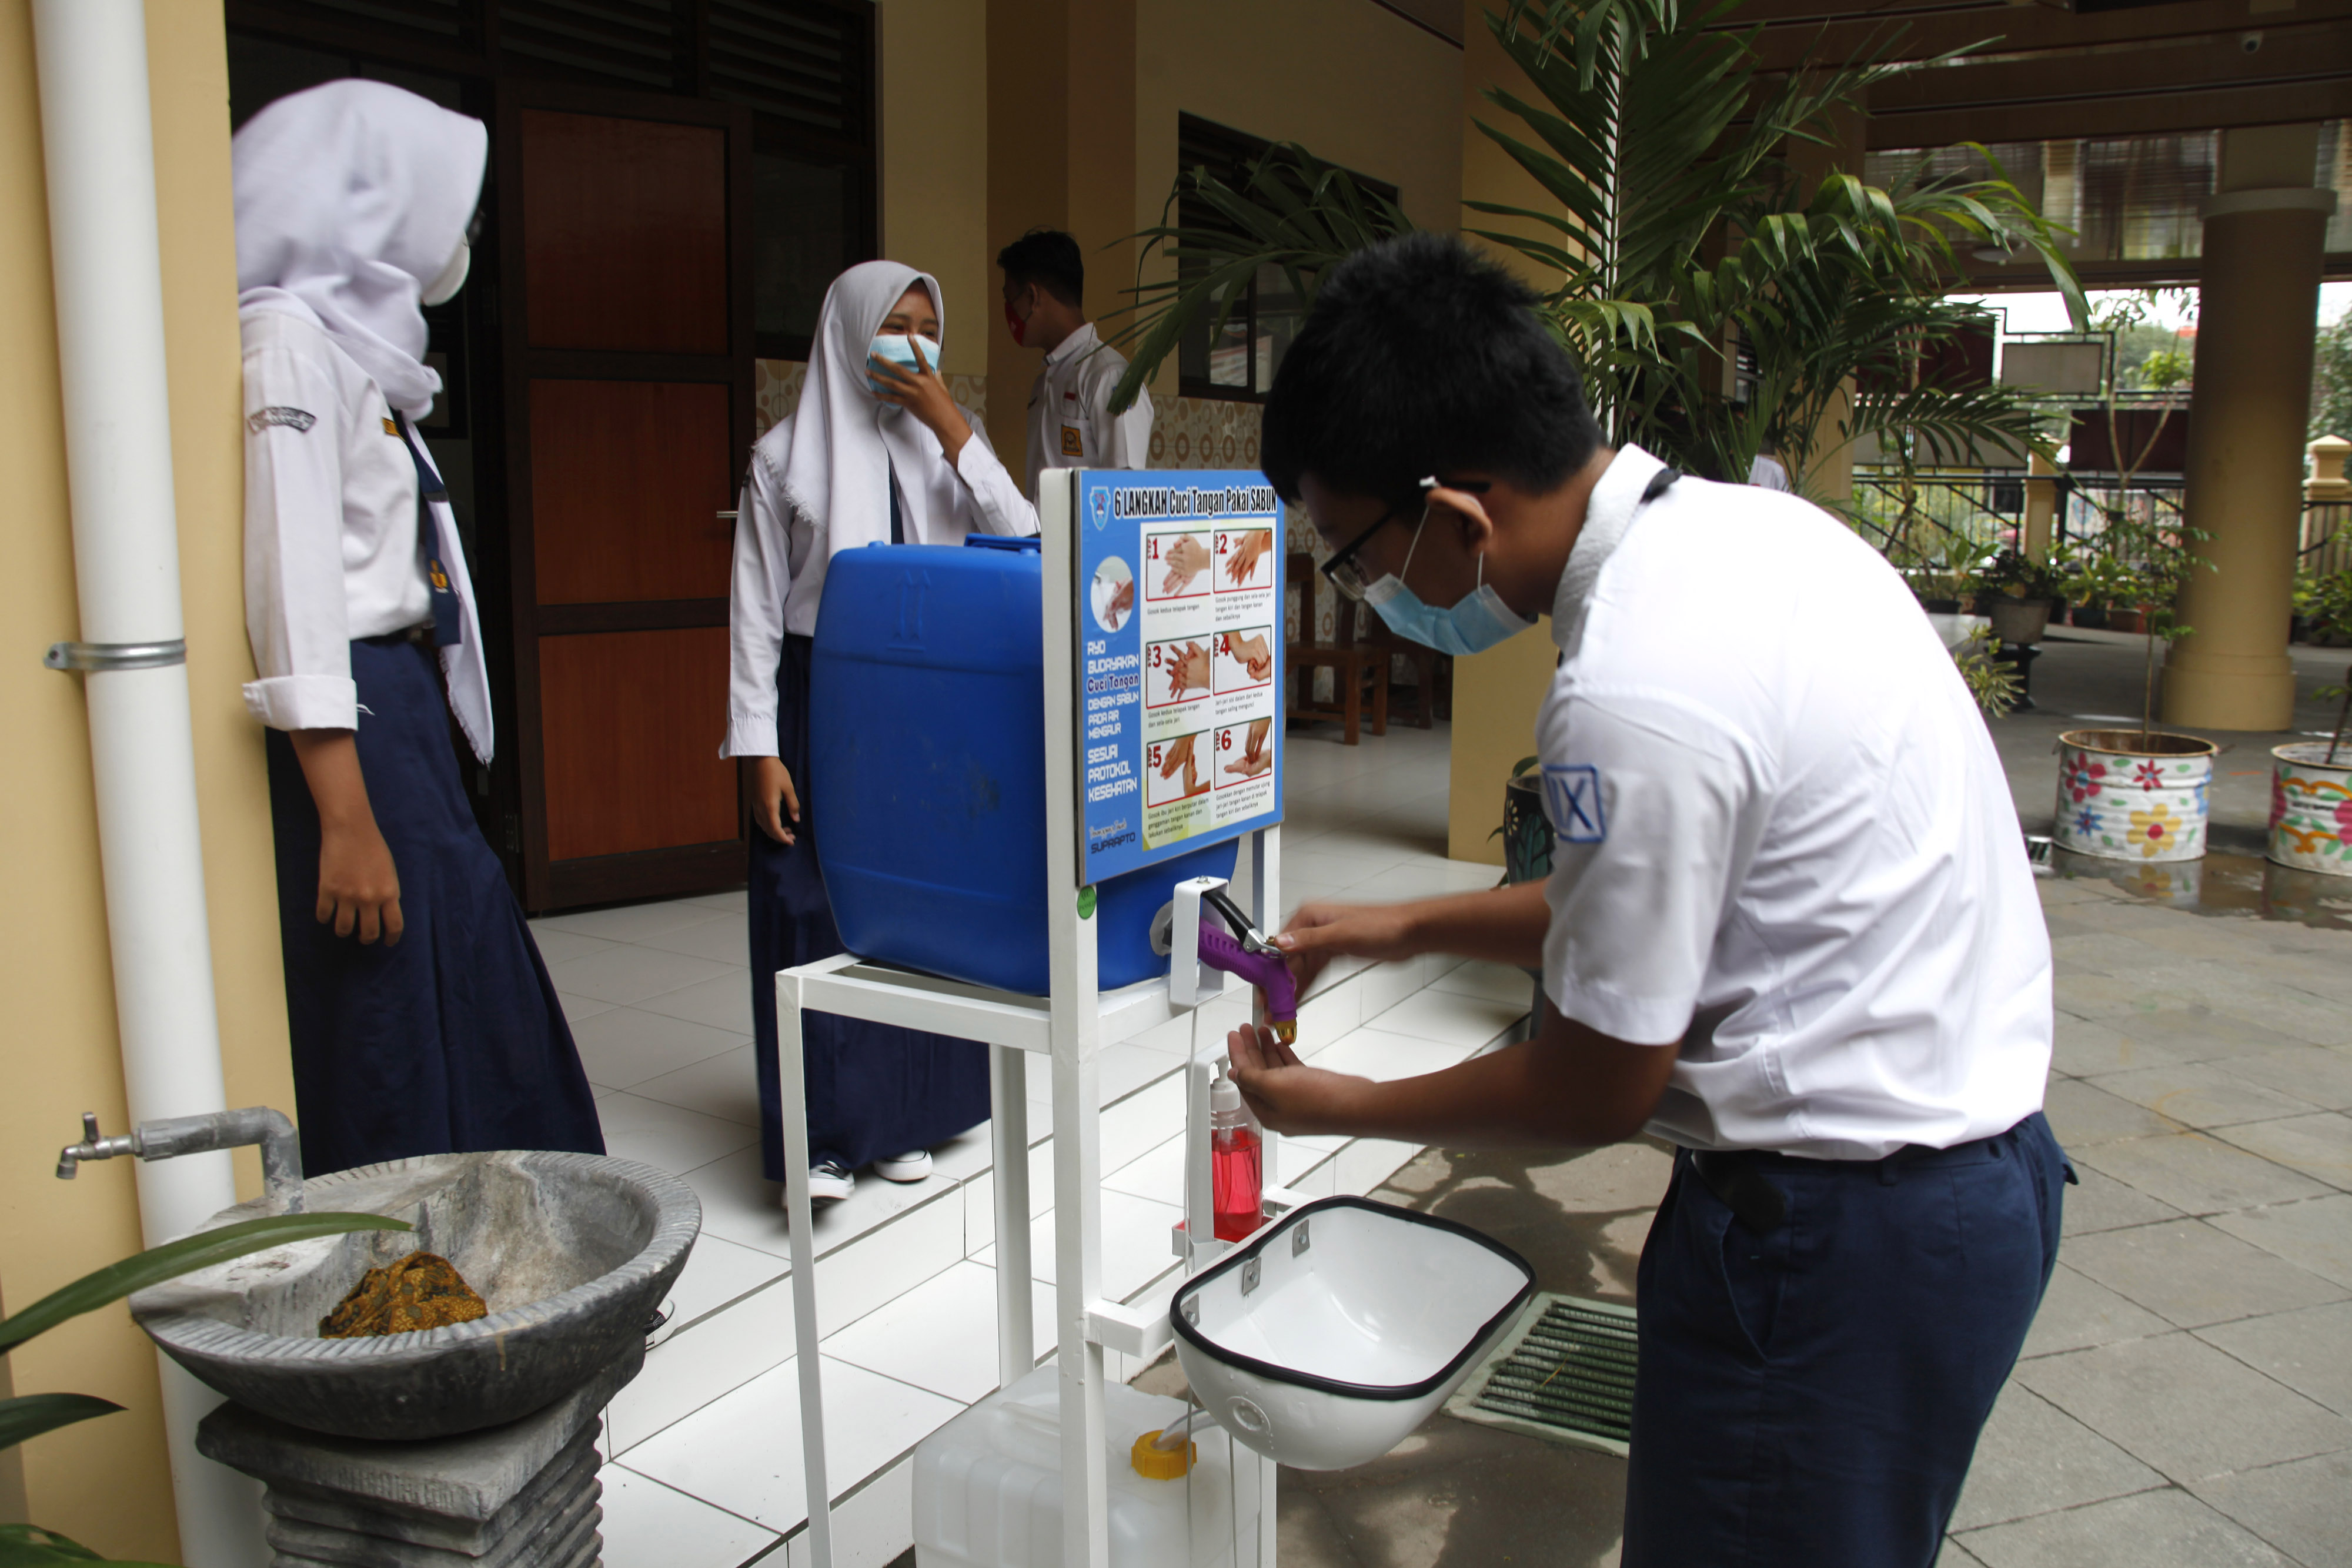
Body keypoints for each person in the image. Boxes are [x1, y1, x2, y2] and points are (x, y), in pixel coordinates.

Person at [1226, 234, 2068, 1568]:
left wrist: (1346, 1114)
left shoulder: (1629, 686)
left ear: (1456, 513)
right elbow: (1670, 903)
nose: (1367, 597)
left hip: (1839, 1239)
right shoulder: (1753, 536)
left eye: (1351, 557)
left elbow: (1591, 1089)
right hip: (1959, 1186)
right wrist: (1399, 924)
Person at [233, 81, 603, 1175]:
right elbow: (293, 587)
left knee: (462, 961)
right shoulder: (288, 346)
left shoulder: (362, 356)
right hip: (346, 719)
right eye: (458, 205)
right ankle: (414, 1258)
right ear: (374, 197)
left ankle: (511, 1228)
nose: (466, 235)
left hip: (389, 705)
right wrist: (343, 815)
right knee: (389, 986)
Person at [724, 261, 1038, 1205]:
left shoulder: (944, 449)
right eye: (892, 324)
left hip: (924, 698)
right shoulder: (783, 457)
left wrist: (956, 431)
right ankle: (821, 1136)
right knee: (806, 901)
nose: (912, 343)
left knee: (920, 908)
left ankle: (909, 1117)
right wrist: (758, 744)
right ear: (849, 332)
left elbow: (1027, 537)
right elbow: (752, 613)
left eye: (926, 326)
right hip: (821, 689)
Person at [997, 229, 1154, 499]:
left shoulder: (1107, 375)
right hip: (1041, 540)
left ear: (1033, 297)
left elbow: (1127, 490)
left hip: (1088, 541)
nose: (1009, 311)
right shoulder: (1045, 381)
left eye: (1011, 299)